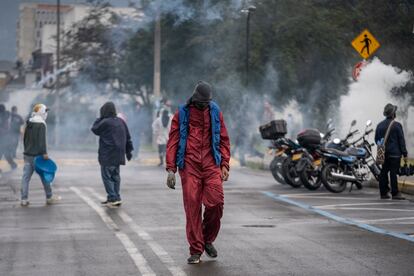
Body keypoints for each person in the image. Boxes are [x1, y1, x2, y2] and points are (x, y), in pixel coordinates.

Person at [165, 81, 231, 264]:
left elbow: (224, 139)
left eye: (207, 103)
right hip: (189, 166)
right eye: (202, 103)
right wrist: (171, 169)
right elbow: (173, 141)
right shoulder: (182, 114)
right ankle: (196, 249)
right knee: (192, 207)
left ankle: (207, 238)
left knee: (216, 203)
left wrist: (225, 164)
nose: (204, 106)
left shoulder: (215, 111)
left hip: (211, 165)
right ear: (194, 99)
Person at [91, 102, 133, 207]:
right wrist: (129, 152)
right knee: (115, 176)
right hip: (119, 154)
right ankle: (115, 197)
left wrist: (100, 118)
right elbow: (128, 137)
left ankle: (113, 197)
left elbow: (94, 129)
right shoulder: (121, 121)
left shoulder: (105, 122)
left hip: (107, 155)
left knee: (107, 177)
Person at [21, 104, 61, 206]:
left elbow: (24, 138)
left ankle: (24, 199)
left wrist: (26, 150)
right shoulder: (41, 124)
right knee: (45, 175)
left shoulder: (29, 122)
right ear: (41, 112)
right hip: (38, 156)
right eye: (45, 111)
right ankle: (49, 197)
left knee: (25, 178)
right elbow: (41, 140)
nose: (46, 113)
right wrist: (44, 153)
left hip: (27, 155)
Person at [375, 103, 408, 200]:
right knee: (393, 173)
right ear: (393, 114)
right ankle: (395, 193)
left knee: (384, 172)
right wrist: (404, 153)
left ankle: (383, 193)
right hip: (395, 154)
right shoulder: (397, 125)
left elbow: (376, 139)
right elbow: (401, 140)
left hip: (383, 153)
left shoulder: (379, 125)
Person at [0, 104, 17, 170]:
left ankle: (13, 164)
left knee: (3, 152)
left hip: (3, 137)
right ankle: (13, 164)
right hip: (6, 137)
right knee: (6, 153)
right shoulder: (6, 115)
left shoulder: (3, 116)